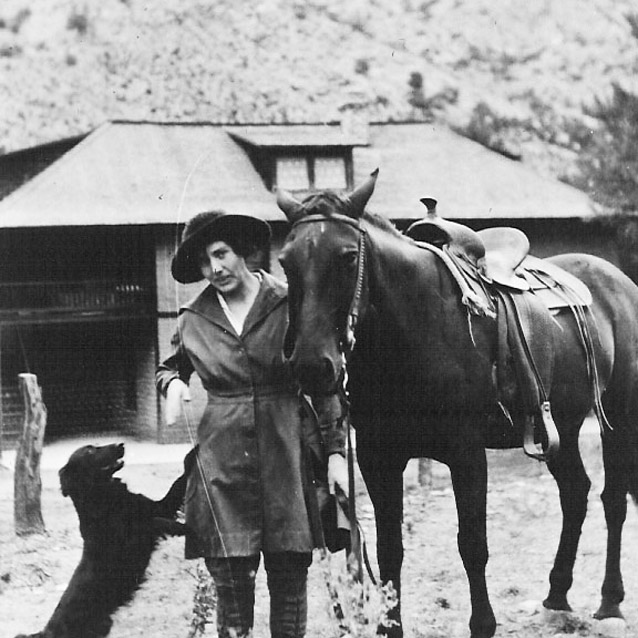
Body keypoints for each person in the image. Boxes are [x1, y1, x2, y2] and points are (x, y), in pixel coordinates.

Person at [156, 210, 349, 638]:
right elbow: (170, 366)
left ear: (241, 250)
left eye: (221, 254)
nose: (215, 269)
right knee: (231, 583)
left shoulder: (290, 301)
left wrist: (335, 454)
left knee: (289, 580)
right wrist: (171, 383)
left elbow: (323, 381)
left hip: (287, 453)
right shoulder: (193, 317)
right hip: (223, 465)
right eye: (205, 262)